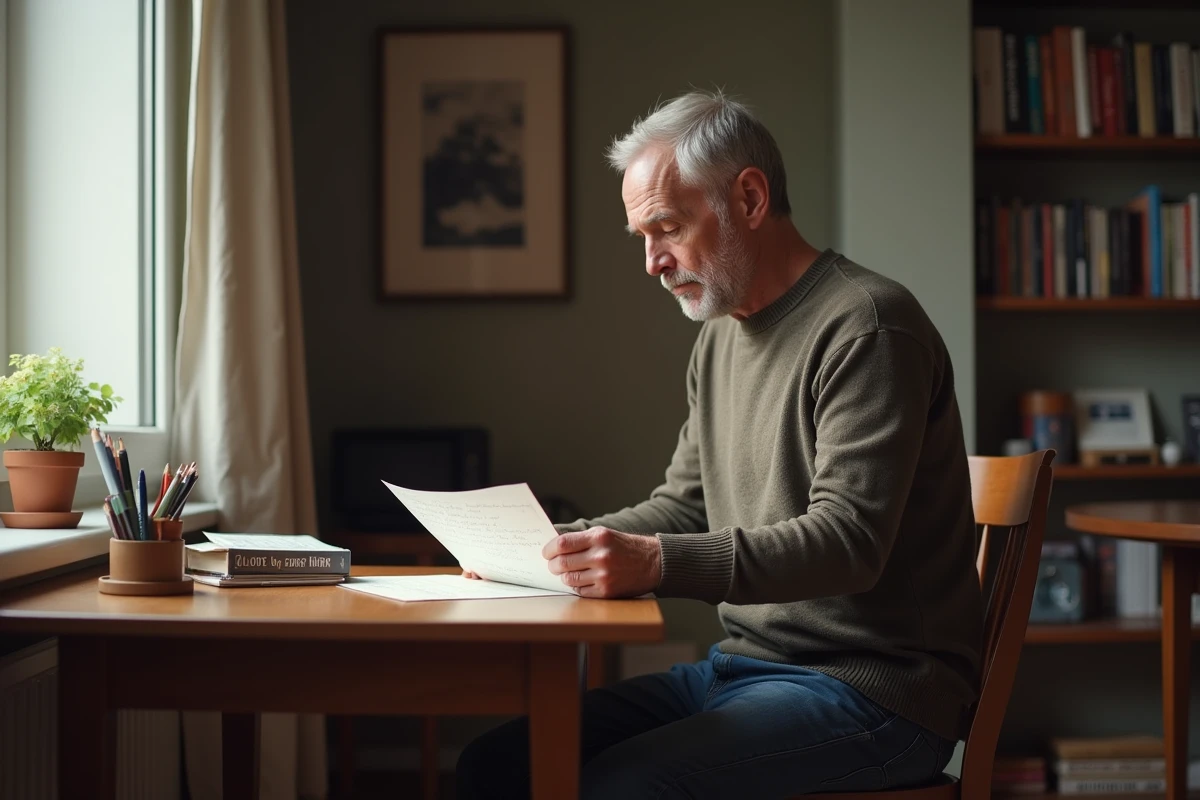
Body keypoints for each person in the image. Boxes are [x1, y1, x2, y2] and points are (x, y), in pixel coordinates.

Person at [456, 89, 982, 799]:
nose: (653, 262)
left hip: (875, 694)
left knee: (623, 785)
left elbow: (850, 540)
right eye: (643, 237)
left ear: (751, 198)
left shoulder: (868, 327)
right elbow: (684, 506)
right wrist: (549, 546)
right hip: (741, 671)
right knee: (497, 764)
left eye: (667, 227)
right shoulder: (720, 338)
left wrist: (654, 563)